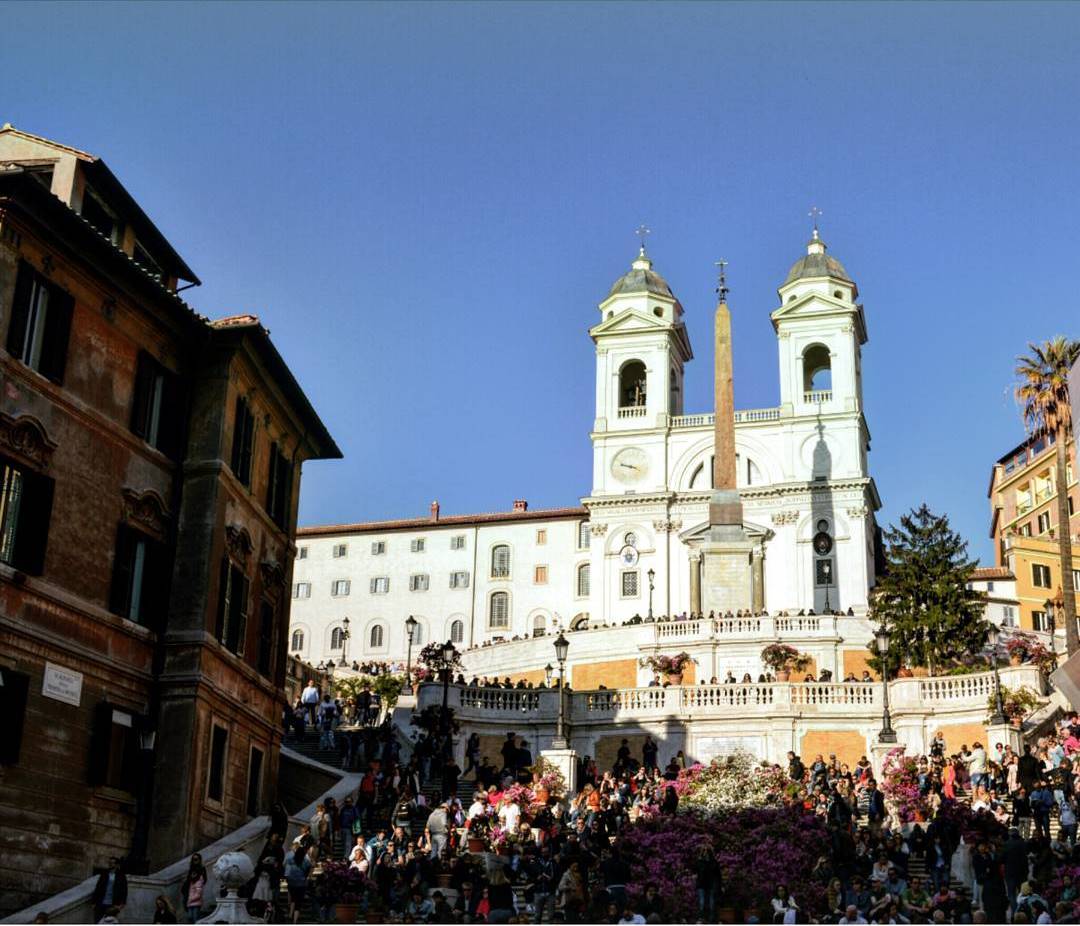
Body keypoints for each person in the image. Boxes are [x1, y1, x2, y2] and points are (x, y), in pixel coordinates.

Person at [91, 858, 128, 924]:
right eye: (109, 863)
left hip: (113, 904)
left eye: (112, 863)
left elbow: (124, 890)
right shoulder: (104, 874)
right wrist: (93, 902)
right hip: (101, 902)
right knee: (97, 922)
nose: (110, 864)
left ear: (117, 865)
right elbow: (98, 887)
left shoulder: (121, 876)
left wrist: (122, 903)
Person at [283, 845, 311, 924]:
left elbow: (286, 872)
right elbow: (308, 871)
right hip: (301, 884)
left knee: (293, 899)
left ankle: (290, 915)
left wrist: (287, 880)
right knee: (298, 903)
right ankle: (295, 921)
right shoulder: (306, 862)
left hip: (291, 883)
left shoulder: (289, 860)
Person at [180, 853, 206, 922]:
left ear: (199, 860)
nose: (195, 861)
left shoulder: (202, 870)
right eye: (193, 859)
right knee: (190, 917)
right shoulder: (191, 869)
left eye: (196, 859)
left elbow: (203, 881)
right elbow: (188, 880)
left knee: (195, 918)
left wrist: (197, 886)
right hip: (189, 896)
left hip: (195, 898)